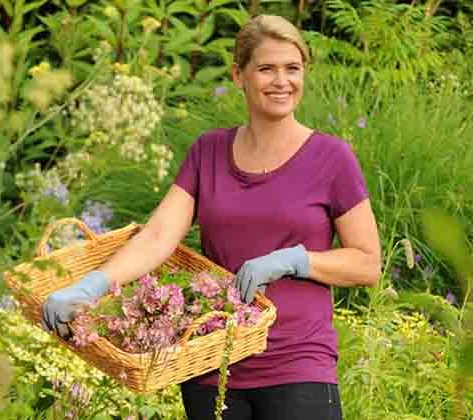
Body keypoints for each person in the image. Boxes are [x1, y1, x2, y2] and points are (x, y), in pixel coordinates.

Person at [42, 14, 381, 420]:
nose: (281, 81)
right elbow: (158, 236)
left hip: (298, 364)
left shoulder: (331, 158)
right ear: (239, 75)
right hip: (210, 365)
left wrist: (295, 260)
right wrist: (91, 286)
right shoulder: (209, 152)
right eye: (266, 69)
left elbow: (367, 263)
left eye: (292, 68)